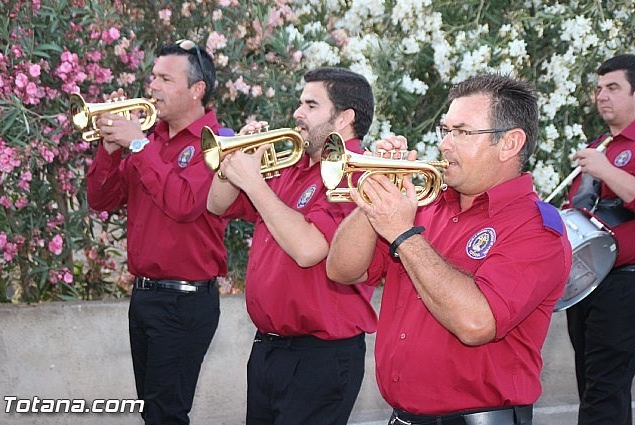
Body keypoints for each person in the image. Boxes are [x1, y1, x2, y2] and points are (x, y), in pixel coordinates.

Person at [326, 73, 573, 425]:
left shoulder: (537, 228)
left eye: (462, 132)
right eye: (446, 130)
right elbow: (342, 270)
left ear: (510, 143)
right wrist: (375, 188)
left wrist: (405, 234)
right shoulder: (425, 205)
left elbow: (476, 322)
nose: (445, 144)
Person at [206, 66, 378, 425]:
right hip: (269, 349)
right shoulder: (292, 165)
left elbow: (309, 249)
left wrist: (255, 183)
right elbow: (217, 205)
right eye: (300, 103)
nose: (297, 113)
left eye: (311, 105)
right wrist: (233, 162)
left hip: (321, 356)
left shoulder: (356, 173)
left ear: (345, 117)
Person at [86, 40, 234, 425]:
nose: (152, 86)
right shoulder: (150, 143)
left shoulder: (217, 142)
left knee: (166, 413)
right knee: (153, 413)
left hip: (185, 302)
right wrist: (109, 146)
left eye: (165, 78)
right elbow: (101, 200)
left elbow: (185, 204)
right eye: (153, 76)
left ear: (196, 90)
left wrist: (136, 143)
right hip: (146, 297)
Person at [564, 54, 635, 425]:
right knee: (593, 388)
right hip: (589, 283)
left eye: (613, 87)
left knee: (604, 393)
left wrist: (605, 169)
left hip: (626, 283)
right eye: (598, 89)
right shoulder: (600, 144)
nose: (601, 96)